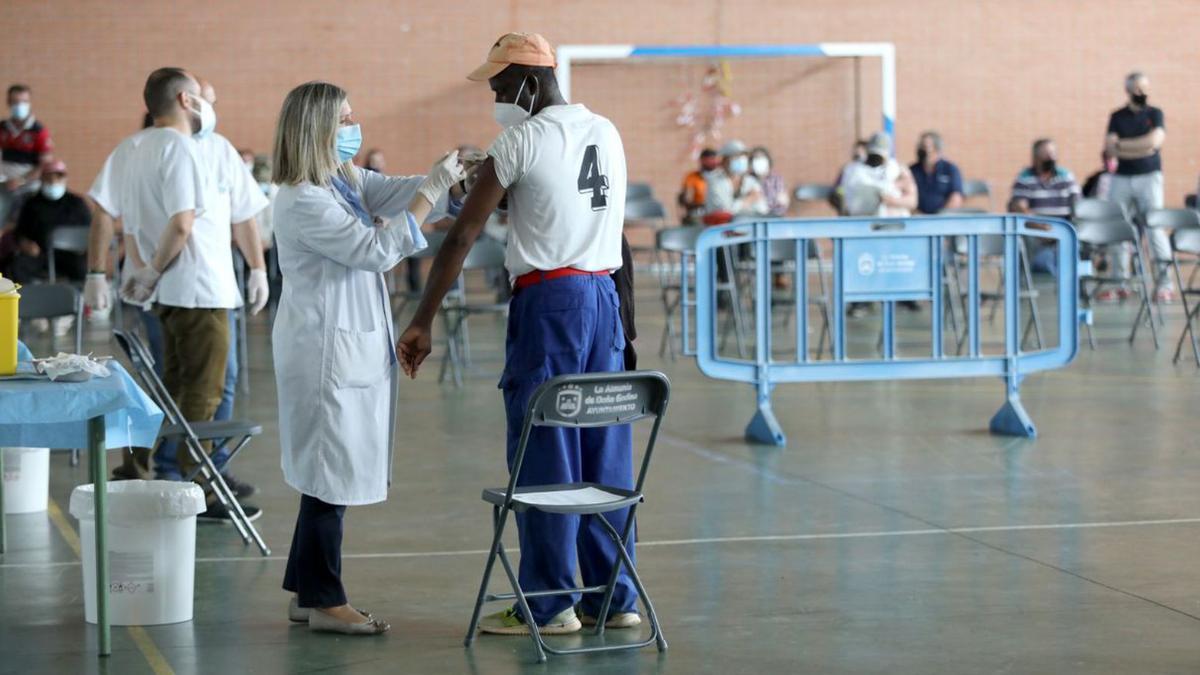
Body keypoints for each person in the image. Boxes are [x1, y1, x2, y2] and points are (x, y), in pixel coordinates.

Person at [397, 32, 637, 637]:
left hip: (550, 304)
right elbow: (579, 214)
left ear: (530, 81)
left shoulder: (521, 138)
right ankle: (615, 598)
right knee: (603, 447)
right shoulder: (605, 130)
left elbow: (460, 234)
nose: (498, 97)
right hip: (602, 297)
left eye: (502, 85)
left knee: (545, 451)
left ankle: (551, 604)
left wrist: (422, 319)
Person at [271, 80, 464, 635]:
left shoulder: (343, 179)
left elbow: (398, 191)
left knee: (323, 470)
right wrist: (431, 193)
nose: (355, 127)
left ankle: (305, 591)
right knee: (331, 473)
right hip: (322, 352)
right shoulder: (303, 198)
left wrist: (445, 175)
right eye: (346, 118)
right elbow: (376, 251)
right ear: (319, 129)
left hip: (342, 346)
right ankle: (328, 602)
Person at [113, 68, 270, 520]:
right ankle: (192, 480)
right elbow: (170, 222)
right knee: (195, 388)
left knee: (204, 383)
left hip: (201, 285)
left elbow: (244, 214)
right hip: (187, 287)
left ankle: (191, 469)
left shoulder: (213, 150)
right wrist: (146, 269)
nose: (208, 105)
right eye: (202, 97)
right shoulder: (166, 149)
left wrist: (257, 267)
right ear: (186, 101)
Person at [1105, 71, 1172, 302]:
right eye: (1138, 88)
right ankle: (1120, 282)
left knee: (1155, 228)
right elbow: (1111, 149)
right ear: (1129, 90)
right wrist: (1140, 146)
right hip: (1122, 177)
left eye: (1145, 88)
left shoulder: (1155, 113)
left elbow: (1155, 143)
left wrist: (1125, 145)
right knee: (1118, 227)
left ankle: (1164, 284)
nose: (1142, 93)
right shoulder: (1117, 116)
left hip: (1149, 176)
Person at [837, 132, 918, 315]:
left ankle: (903, 295)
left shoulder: (898, 169)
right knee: (865, 262)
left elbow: (911, 200)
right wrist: (891, 190)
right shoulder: (855, 170)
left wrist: (891, 197)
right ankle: (862, 300)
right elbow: (857, 199)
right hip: (866, 229)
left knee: (899, 258)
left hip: (896, 227)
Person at [1008, 138, 1080, 276]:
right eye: (1046, 153)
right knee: (1044, 262)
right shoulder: (1024, 179)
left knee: (1072, 248)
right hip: (1036, 233)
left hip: (1064, 231)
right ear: (1035, 157)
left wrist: (1063, 229)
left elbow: (1078, 205)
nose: (1051, 157)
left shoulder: (1066, 177)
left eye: (1053, 152)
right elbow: (1019, 208)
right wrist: (1043, 228)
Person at [0, 84, 53, 192]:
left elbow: (44, 164)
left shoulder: (39, 131)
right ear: (9, 103)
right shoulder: (2, 128)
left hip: (29, 188)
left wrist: (21, 180)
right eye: (15, 102)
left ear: (29, 104)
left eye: (24, 101)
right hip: (4, 186)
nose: (20, 105)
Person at [704, 139, 766, 223]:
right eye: (736, 157)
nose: (741, 160)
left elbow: (762, 209)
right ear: (725, 160)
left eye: (743, 156)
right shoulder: (715, 183)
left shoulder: (751, 182)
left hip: (748, 229)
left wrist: (740, 206)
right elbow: (725, 212)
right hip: (719, 231)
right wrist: (748, 200)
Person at [910, 131, 964, 214]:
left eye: (927, 146)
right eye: (921, 146)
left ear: (937, 148)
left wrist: (940, 217)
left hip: (943, 219)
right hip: (917, 218)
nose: (923, 150)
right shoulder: (912, 170)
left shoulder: (950, 169)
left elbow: (956, 198)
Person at [677, 148, 718, 224]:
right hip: (699, 212)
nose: (713, 162)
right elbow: (685, 197)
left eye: (714, 159)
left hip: (718, 212)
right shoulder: (692, 176)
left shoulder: (721, 177)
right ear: (702, 160)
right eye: (709, 159)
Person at [750, 145, 789, 217]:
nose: (759, 161)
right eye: (756, 158)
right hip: (754, 217)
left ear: (768, 160)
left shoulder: (777, 179)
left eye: (761, 158)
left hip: (774, 217)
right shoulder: (748, 179)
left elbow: (782, 202)